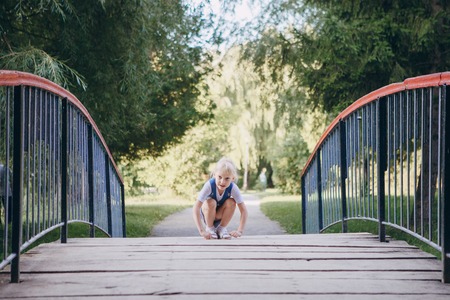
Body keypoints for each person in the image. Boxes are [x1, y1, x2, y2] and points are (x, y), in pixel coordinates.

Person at [193, 157, 248, 239]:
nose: (222, 182)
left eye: (227, 178)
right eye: (219, 177)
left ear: (232, 178)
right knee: (211, 202)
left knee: (232, 202)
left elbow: (244, 211)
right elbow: (196, 207)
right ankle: (210, 228)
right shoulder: (209, 185)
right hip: (207, 214)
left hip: (219, 215)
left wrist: (239, 231)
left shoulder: (233, 188)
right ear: (214, 174)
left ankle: (221, 228)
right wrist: (202, 231)